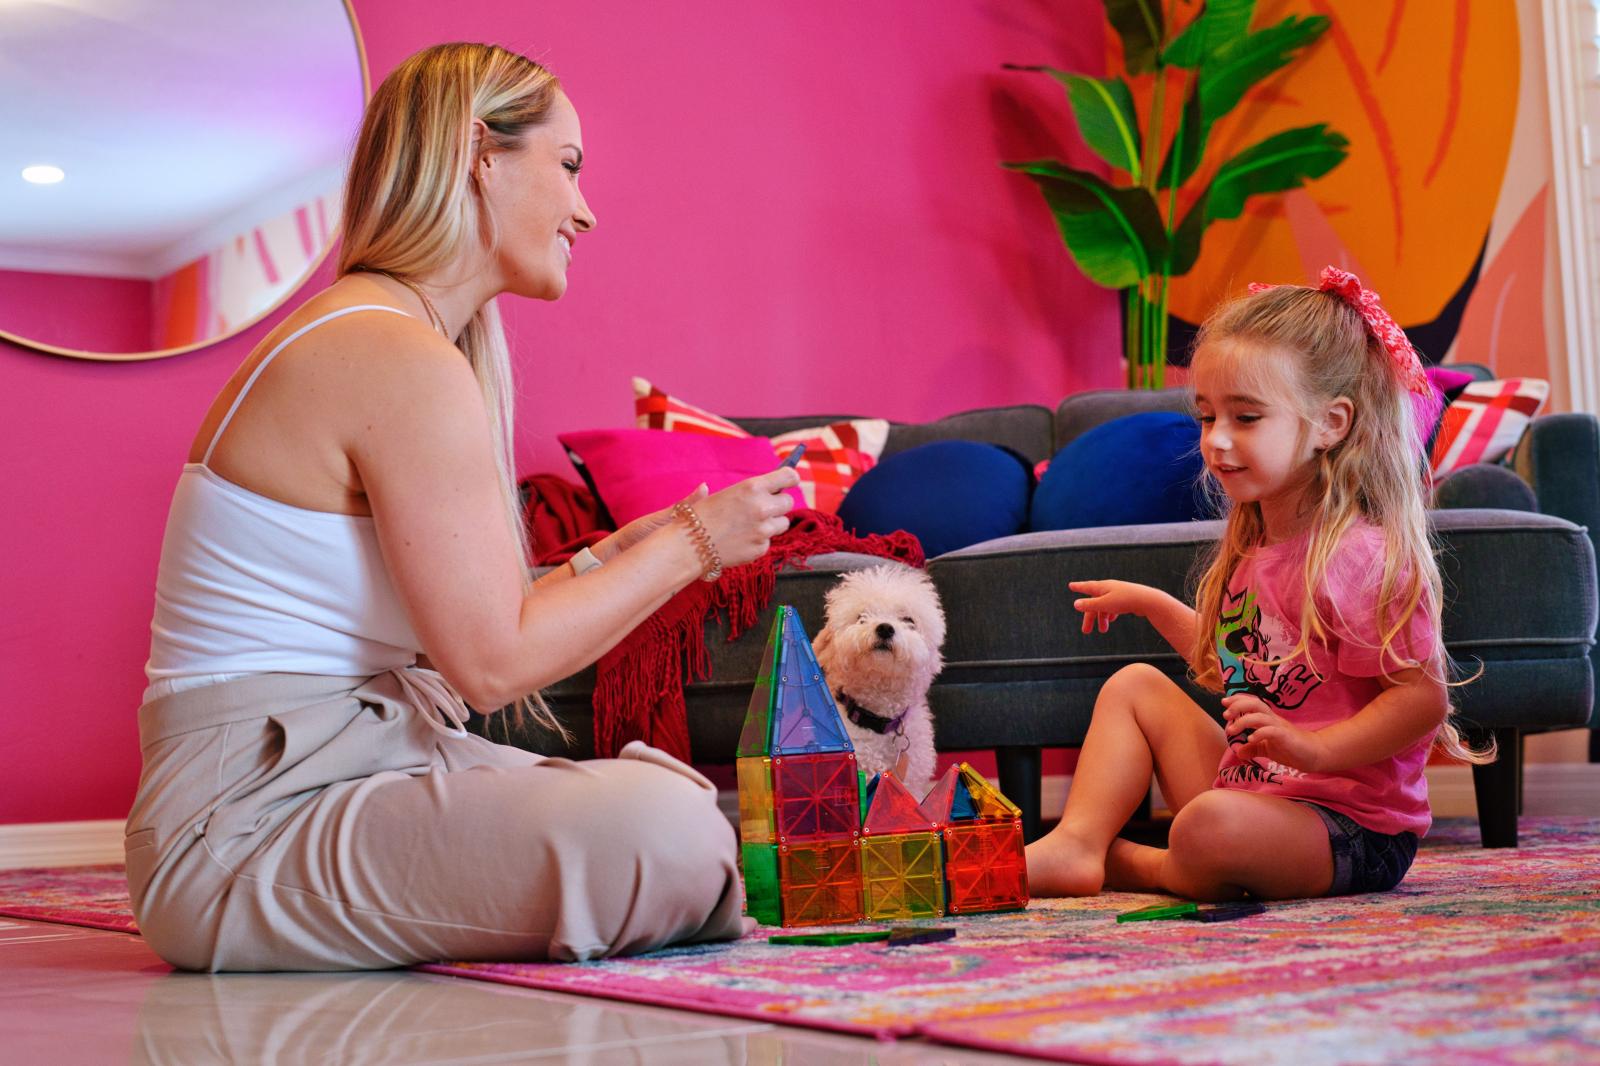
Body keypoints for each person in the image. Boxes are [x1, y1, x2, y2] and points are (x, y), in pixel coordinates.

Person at [125, 42, 800, 971]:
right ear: (480, 156)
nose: (585, 210)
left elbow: (482, 617)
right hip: (238, 833)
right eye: (567, 167)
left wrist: (619, 552)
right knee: (665, 834)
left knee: (681, 816)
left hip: (335, 775)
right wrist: (693, 543)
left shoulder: (389, 339)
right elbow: (492, 666)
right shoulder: (391, 354)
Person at [1026, 266, 1493, 902]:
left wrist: (1315, 750)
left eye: (1246, 417)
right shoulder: (1255, 548)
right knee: (1134, 686)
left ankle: (1134, 865)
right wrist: (1158, 607)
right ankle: (1079, 844)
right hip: (1259, 791)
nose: (1216, 441)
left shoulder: (1360, 559)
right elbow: (1243, 670)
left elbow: (1421, 700)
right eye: (1206, 416)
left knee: (1205, 828)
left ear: (1331, 424)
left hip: (1350, 828)